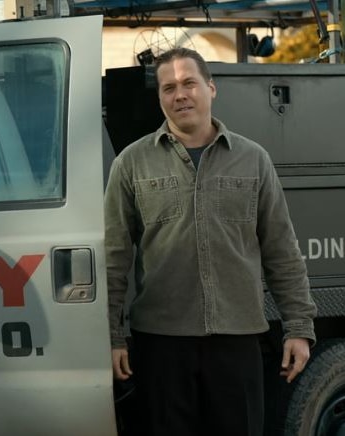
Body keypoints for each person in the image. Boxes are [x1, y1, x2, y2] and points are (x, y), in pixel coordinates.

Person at [104, 47, 317, 436]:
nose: (179, 94)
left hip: (236, 342)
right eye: (168, 88)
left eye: (189, 83)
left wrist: (299, 327)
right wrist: (113, 336)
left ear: (211, 89)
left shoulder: (253, 160)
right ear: (160, 98)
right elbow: (114, 258)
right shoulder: (131, 164)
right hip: (161, 345)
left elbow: (282, 250)